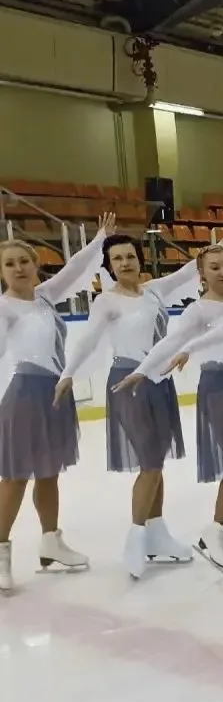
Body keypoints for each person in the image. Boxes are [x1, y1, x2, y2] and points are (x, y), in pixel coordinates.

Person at [111, 245, 223, 570]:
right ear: (201, 274)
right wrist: (143, 370)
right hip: (219, 388)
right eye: (214, 267)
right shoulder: (198, 310)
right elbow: (171, 342)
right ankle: (215, 530)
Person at [55, 233, 219, 577]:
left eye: (130, 256)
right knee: (150, 463)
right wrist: (68, 373)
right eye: (117, 259)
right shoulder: (106, 301)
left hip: (159, 381)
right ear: (109, 266)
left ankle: (156, 533)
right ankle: (136, 537)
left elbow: (187, 273)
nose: (125, 263)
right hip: (128, 382)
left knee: (156, 462)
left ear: (139, 259)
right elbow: (88, 340)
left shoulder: (154, 291)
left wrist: (211, 253)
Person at [0, 213, 114, 592]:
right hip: (23, 394)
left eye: (24, 261)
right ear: (2, 271)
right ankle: (0, 552)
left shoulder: (45, 298)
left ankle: (51, 541)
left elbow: (74, 270)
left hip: (54, 393)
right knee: (15, 477)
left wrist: (99, 239)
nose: (19, 268)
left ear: (35, 265)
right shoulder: (4, 309)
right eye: (10, 263)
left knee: (49, 472)